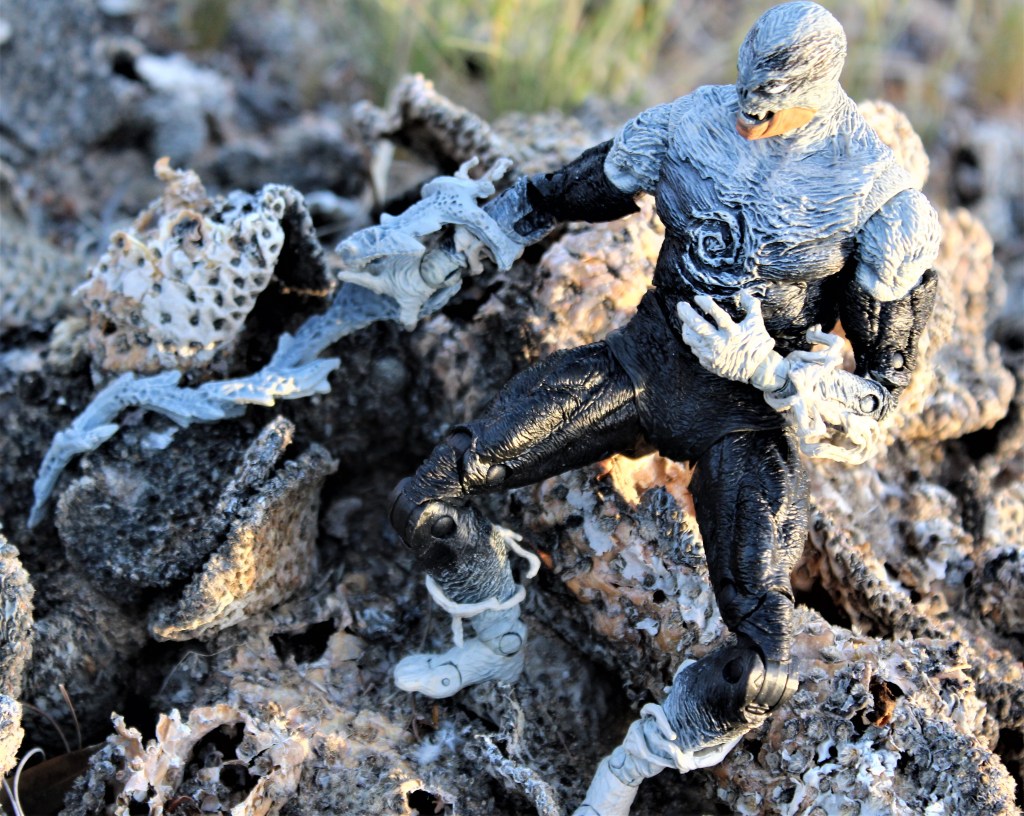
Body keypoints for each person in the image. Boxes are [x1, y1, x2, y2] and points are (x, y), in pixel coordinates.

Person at [387, 3, 940, 813]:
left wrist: (770, 371)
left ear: (819, 90)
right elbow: (558, 193)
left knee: (763, 663)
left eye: (770, 105)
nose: (749, 115)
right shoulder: (690, 124)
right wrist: (464, 242)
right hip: (641, 364)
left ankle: (631, 765)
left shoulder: (876, 196)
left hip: (745, 421)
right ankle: (494, 636)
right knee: (427, 496)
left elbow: (880, 401)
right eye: (746, 93)